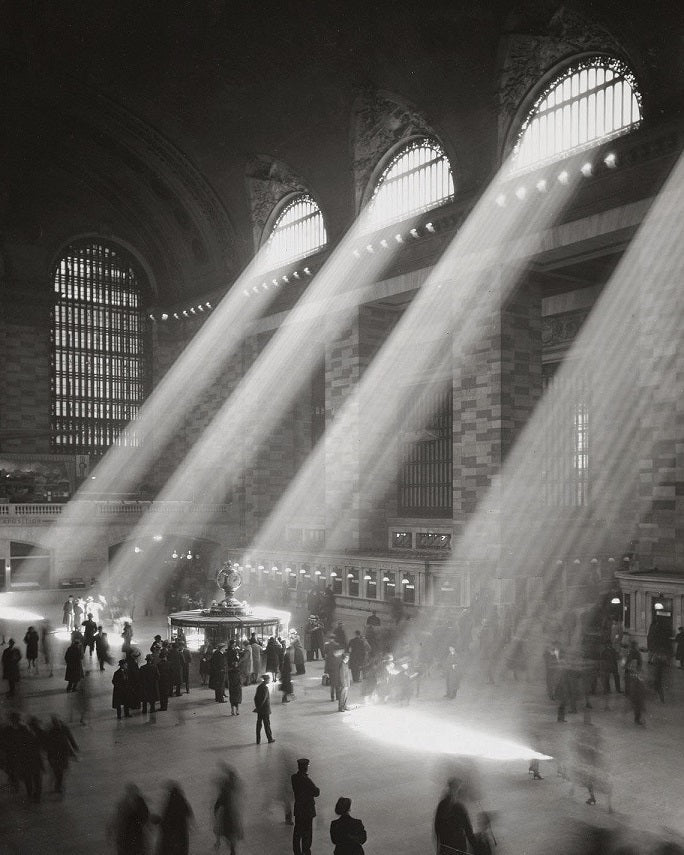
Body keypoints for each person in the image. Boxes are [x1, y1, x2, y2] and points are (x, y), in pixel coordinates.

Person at [111, 783, 152, 855]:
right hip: (130, 836)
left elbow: (145, 818)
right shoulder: (124, 803)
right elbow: (118, 820)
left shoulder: (138, 802)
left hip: (134, 835)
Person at [155, 781, 194, 855]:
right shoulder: (182, 801)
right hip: (181, 837)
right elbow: (189, 814)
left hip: (171, 839)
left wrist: (159, 821)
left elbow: (167, 821)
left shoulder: (171, 803)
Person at [291, 758, 320, 855]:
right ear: (306, 768)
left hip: (299, 809)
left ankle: (297, 852)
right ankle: (306, 852)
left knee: (297, 831)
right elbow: (316, 792)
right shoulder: (307, 780)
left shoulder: (294, 777)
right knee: (307, 833)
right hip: (307, 810)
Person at [44, 714, 79, 794]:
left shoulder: (64, 728)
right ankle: (58, 786)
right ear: (53, 723)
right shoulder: (50, 731)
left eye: (57, 722)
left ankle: (58, 785)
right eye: (55, 722)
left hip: (63, 752)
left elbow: (70, 737)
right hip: (55, 754)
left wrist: (75, 747)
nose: (57, 724)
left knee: (62, 770)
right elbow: (47, 743)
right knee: (58, 771)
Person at [213, 764, 244, 854]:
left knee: (227, 832)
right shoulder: (232, 791)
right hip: (232, 815)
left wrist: (216, 813)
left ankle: (223, 844)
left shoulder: (224, 794)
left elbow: (217, 806)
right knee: (231, 833)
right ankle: (232, 848)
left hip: (226, 817)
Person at [254, 674, 275, 744]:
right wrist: (259, 707)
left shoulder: (259, 687)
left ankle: (258, 740)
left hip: (260, 710)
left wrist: (257, 707)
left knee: (259, 724)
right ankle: (270, 738)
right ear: (266, 680)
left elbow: (255, 698)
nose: (269, 680)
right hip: (265, 709)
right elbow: (264, 699)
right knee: (267, 724)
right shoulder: (265, 688)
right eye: (268, 679)